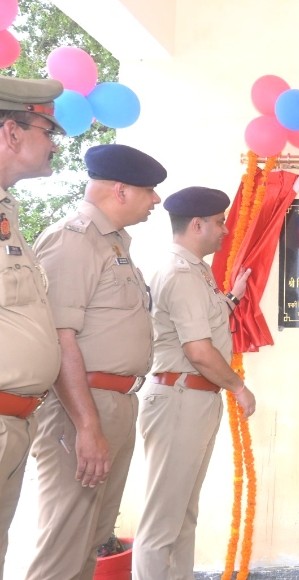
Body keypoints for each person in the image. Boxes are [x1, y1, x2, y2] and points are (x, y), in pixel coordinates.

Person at [26, 143, 167, 579]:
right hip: (82, 406)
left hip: (114, 402)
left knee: (91, 542)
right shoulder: (73, 239)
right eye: (149, 190)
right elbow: (58, 336)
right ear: (120, 190)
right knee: (64, 547)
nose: (156, 199)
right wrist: (87, 426)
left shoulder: (112, 243)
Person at [133, 186, 255, 579]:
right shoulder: (181, 274)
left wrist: (232, 298)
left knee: (183, 515)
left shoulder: (196, 271)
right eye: (219, 222)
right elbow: (199, 350)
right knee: (163, 522)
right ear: (197, 225)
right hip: (180, 398)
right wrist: (238, 386)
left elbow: (203, 321)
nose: (225, 230)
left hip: (193, 398)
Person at [0, 76, 65, 577]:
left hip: (16, 422)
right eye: (48, 132)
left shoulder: (7, 211)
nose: (55, 145)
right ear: (11, 132)